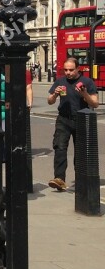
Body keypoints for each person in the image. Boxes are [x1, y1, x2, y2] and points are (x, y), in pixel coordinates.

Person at [47, 57, 99, 192]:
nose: (68, 73)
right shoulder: (60, 81)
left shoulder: (87, 82)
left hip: (82, 119)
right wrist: (55, 95)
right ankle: (59, 179)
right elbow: (50, 101)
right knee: (59, 147)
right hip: (63, 118)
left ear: (78, 69)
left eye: (71, 70)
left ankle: (81, 179)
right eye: (65, 70)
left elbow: (95, 103)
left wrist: (85, 94)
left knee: (81, 151)